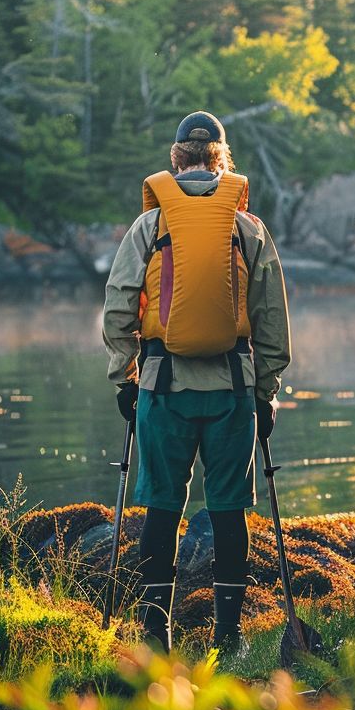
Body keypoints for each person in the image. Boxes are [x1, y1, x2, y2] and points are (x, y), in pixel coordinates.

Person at [102, 111, 291, 653]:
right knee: (229, 511)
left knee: (163, 509)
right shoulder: (246, 227)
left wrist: (125, 378)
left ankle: (153, 636)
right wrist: (266, 390)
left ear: (176, 157)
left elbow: (118, 305)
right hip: (234, 389)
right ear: (221, 160)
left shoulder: (151, 225)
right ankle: (228, 638)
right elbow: (272, 316)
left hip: (162, 388)